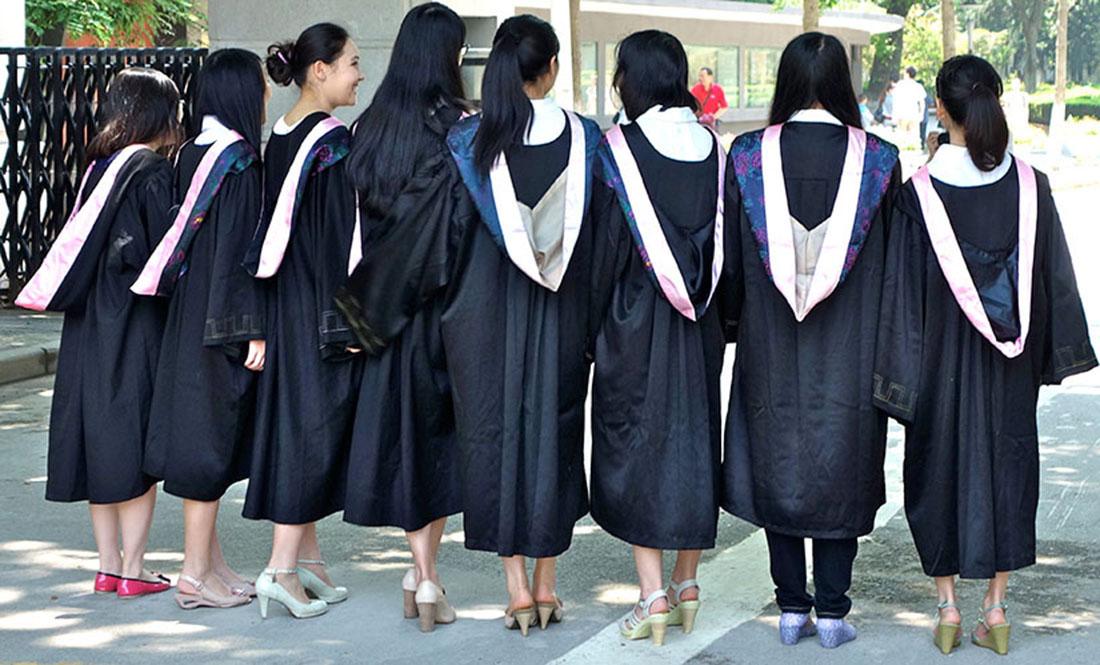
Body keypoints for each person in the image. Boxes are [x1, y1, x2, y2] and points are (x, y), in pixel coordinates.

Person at [347, 14, 600, 636]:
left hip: (481, 324)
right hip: (561, 320)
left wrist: (360, 312)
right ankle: (547, 585)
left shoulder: (470, 147)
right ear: (554, 69)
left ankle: (516, 591)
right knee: (556, 437)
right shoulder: (590, 142)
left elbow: (429, 241)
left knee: (495, 441)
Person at [873, 55, 1096, 656]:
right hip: (1008, 368)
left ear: (940, 108)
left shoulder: (917, 195)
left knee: (936, 471)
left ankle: (947, 608)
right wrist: (1048, 355)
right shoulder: (1031, 186)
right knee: (1008, 469)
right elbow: (1054, 282)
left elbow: (900, 297)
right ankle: (995, 610)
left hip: (938, 368)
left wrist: (897, 381)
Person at [722, 32, 901, 649]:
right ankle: (832, 611)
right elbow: (893, 266)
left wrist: (731, 325)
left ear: (786, 83)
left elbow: (736, 265)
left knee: (777, 462)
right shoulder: (878, 160)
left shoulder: (747, 156)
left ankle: (791, 608)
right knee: (838, 465)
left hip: (769, 344)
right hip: (849, 350)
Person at [14, 68, 179, 599]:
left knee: (99, 434)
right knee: (133, 439)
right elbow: (161, 258)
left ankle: (108, 564)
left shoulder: (99, 168)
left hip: (89, 323)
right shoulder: (151, 172)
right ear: (158, 113)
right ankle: (134, 567)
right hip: (134, 323)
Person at [334, 2, 471, 633]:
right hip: (439, 310)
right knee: (434, 443)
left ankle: (420, 573)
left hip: (379, 309)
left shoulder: (368, 127)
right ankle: (425, 575)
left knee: (405, 440)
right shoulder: (457, 130)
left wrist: (361, 313)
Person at [590, 30, 725, 647]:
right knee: (695, 439)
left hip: (634, 322)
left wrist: (592, 327)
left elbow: (605, 249)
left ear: (633, 77)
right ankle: (688, 582)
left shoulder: (618, 149)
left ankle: (651, 597)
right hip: (700, 323)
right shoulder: (714, 148)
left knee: (636, 443)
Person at [133, 49, 269, 610]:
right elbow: (238, 255)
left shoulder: (190, 153)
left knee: (199, 436)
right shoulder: (237, 161)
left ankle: (212, 564)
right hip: (220, 321)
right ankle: (193, 576)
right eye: (259, 85)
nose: (264, 95)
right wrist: (252, 329)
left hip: (187, 316)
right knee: (208, 445)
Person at [242, 22, 364, 620]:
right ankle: (282, 570)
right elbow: (343, 242)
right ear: (320, 70)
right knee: (311, 433)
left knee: (296, 424)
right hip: (320, 306)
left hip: (284, 302)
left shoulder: (281, 134)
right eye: (351, 64)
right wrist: (357, 323)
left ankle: (310, 563)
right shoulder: (332, 142)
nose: (359, 75)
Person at [894, 66, 927, 147]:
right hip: (914, 114)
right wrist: (921, 114)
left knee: (902, 137)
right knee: (913, 137)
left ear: (907, 74)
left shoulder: (900, 85)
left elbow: (896, 101)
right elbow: (922, 102)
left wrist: (894, 115)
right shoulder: (918, 86)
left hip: (902, 114)